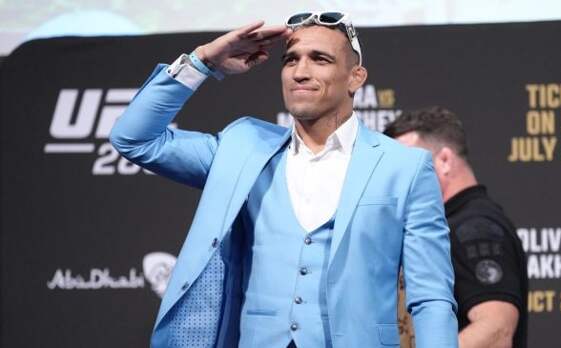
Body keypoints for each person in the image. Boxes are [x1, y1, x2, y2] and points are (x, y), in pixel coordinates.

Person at [110, 13, 457, 348]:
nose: (300, 72)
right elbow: (135, 139)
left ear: (356, 77)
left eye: (319, 59)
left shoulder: (405, 167)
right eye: (290, 60)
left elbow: (432, 296)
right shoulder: (243, 147)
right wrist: (204, 60)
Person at [384, 106, 528, 348]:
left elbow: (497, 330)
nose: (396, 181)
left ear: (444, 161)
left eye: (406, 168)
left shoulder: (473, 228)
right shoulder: (447, 225)